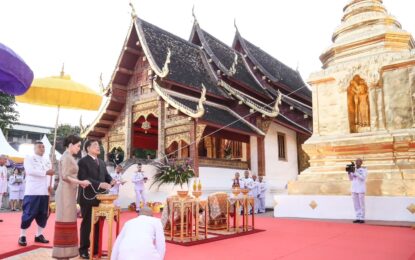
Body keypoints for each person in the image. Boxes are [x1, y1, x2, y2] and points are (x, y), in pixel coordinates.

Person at [52, 135, 91, 260]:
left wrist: (80, 183)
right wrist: (81, 182)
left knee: (69, 220)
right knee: (64, 220)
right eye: (78, 146)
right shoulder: (66, 157)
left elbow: (70, 177)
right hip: (64, 193)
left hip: (69, 192)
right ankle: (62, 254)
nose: (79, 149)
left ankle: (65, 254)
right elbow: (64, 176)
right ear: (70, 144)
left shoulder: (70, 157)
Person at [77, 139, 114, 259]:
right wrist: (99, 184)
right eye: (95, 145)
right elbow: (83, 177)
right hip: (87, 197)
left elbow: (107, 177)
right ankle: (83, 249)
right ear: (87, 148)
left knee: (99, 224)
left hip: (101, 198)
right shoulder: (83, 162)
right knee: (87, 224)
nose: (98, 147)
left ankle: (95, 248)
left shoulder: (102, 162)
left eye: (99, 145)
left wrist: (113, 181)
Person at [18, 141, 54, 246]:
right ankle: (22, 235)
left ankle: (39, 235)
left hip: (45, 192)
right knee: (29, 213)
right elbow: (30, 171)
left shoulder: (47, 160)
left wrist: (50, 185)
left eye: (43, 147)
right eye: (39, 147)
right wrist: (45, 172)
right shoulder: (29, 158)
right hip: (33, 191)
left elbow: (51, 174)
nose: (42, 148)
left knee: (43, 214)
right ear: (34, 148)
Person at [348, 158, 367, 224]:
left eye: (358, 161)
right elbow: (351, 179)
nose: (356, 163)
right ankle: (358, 217)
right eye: (356, 162)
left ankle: (362, 218)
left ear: (361, 162)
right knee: (356, 205)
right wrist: (349, 173)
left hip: (361, 189)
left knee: (361, 204)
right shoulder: (354, 169)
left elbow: (363, 178)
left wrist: (355, 172)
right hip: (354, 189)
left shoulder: (364, 169)